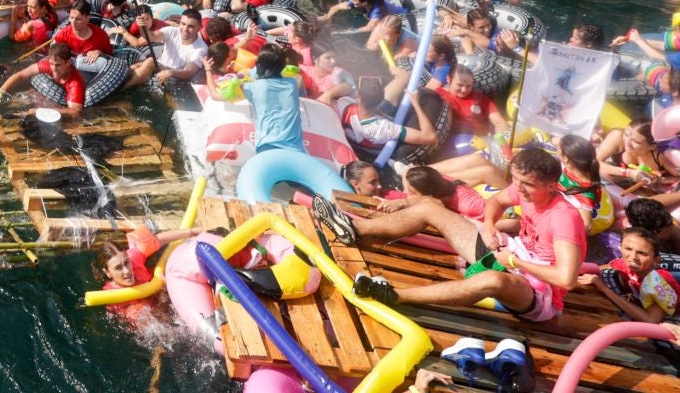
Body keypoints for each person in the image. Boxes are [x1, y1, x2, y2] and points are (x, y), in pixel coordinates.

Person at [330, 146, 586, 324]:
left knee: (494, 281)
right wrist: (489, 227)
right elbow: (495, 202)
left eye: (526, 185)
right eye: (516, 180)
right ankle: (356, 231)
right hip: (509, 253)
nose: (519, 188)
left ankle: (395, 295)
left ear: (552, 186)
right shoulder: (523, 187)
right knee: (430, 206)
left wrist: (514, 262)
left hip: (538, 293)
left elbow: (566, 279)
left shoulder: (564, 218)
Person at [239, 47, 304, 153]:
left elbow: (215, 95)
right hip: (295, 149)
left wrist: (208, 70)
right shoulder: (292, 83)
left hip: (267, 146)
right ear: (283, 65)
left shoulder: (253, 86)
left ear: (259, 64)